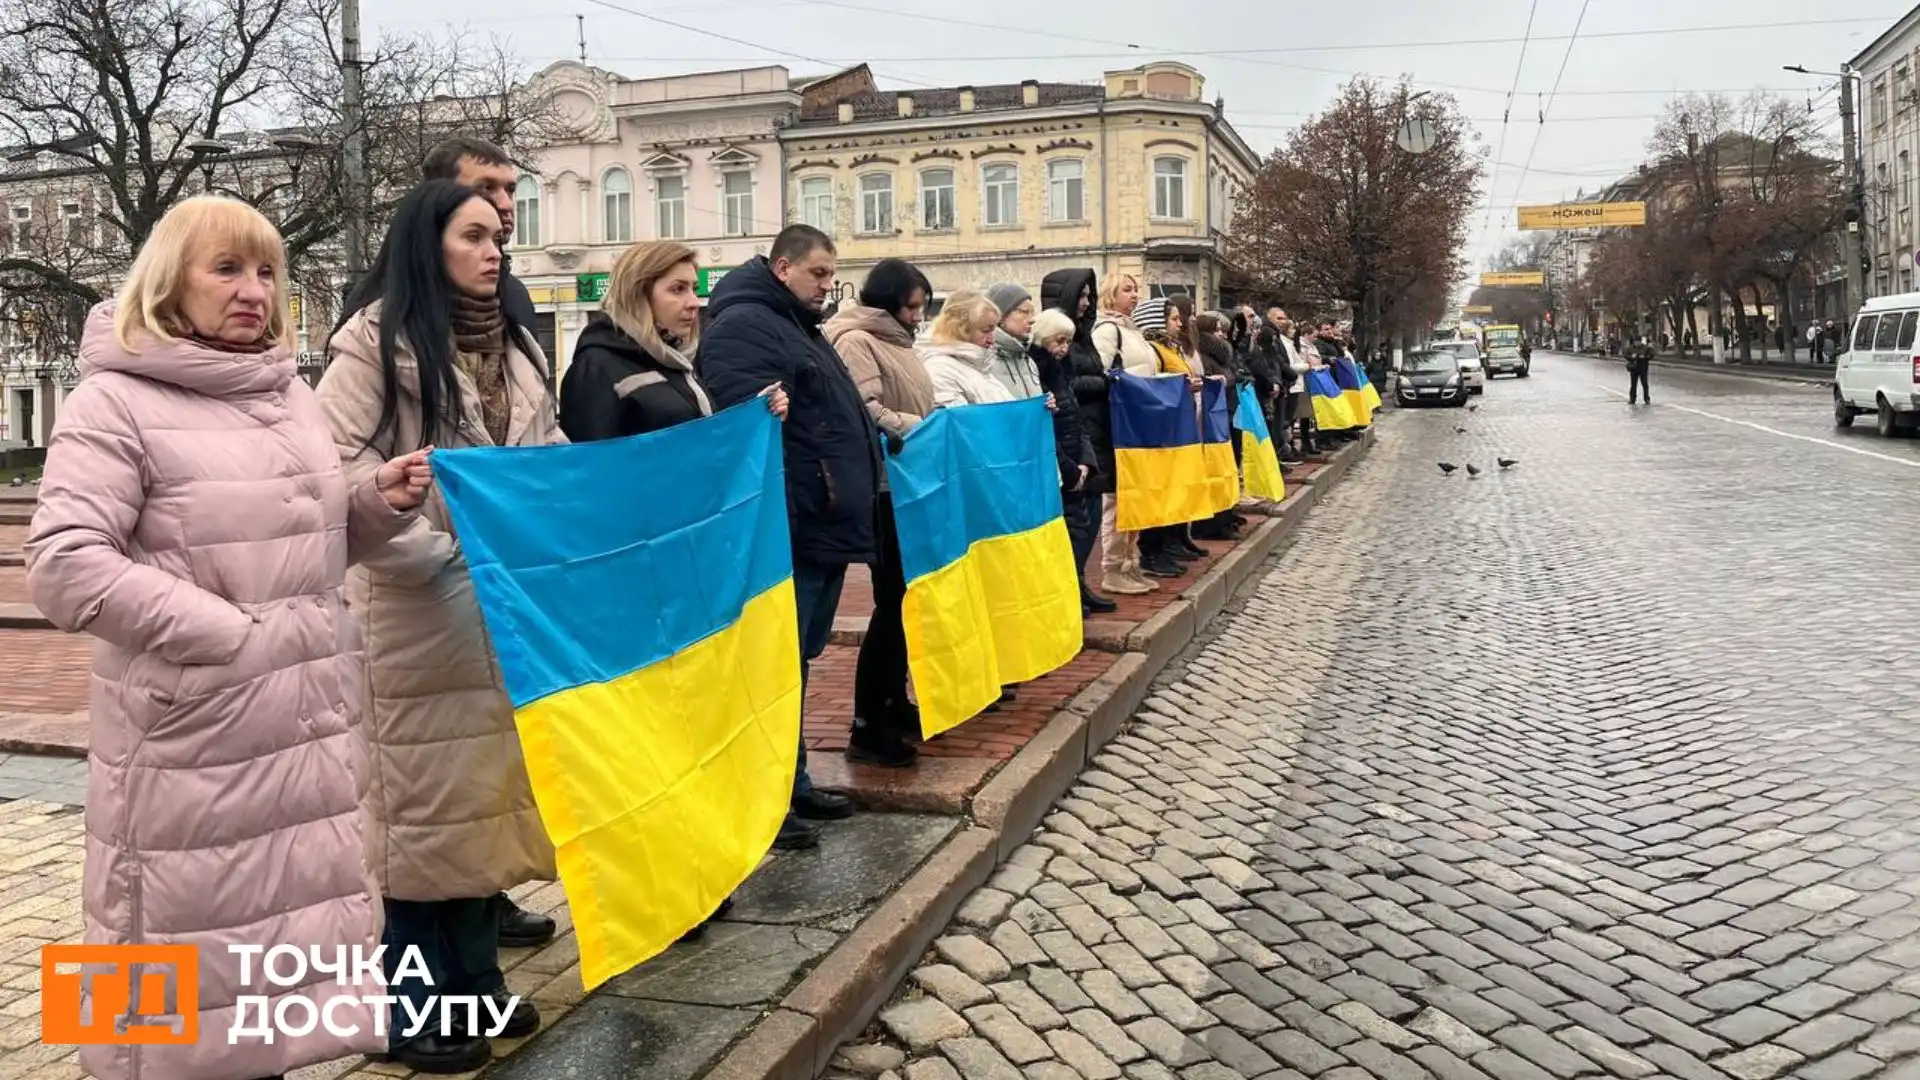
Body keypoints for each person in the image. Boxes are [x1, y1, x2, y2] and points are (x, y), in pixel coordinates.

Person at [25, 196, 428, 1080]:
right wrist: (223, 636)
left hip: (299, 737)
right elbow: (61, 565)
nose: (255, 292)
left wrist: (372, 505)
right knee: (175, 1003)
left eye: (268, 272)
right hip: (190, 745)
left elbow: (297, 545)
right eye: (227, 270)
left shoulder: (286, 392)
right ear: (171, 280)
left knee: (262, 1006)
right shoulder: (113, 400)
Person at [316, 180, 558, 1073]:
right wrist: (437, 556)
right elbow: (335, 477)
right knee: (418, 824)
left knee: (478, 812)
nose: (495, 251)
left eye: (500, 236)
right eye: (474, 236)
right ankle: (409, 1005)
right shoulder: (373, 349)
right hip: (415, 615)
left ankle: (476, 985)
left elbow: (545, 459)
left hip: (499, 614)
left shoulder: (522, 350)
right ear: (429, 244)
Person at [697, 225, 873, 850]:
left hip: (817, 520)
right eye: (819, 274)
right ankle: (770, 796)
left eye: (832, 274)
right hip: (791, 524)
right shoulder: (746, 326)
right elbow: (748, 431)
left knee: (794, 663)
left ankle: (791, 781)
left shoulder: (796, 323)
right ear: (782, 268)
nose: (828, 285)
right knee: (774, 665)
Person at [422, 137, 552, 946]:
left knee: (491, 770)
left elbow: (539, 436)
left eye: (509, 197)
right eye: (485, 199)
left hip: (501, 584)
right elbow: (351, 482)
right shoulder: (387, 324)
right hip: (432, 594)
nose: (505, 210)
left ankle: (481, 926)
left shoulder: (516, 316)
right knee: (437, 793)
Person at [824, 258, 936, 769]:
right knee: (891, 604)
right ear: (888, 301)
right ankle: (867, 722)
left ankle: (893, 699)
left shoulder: (896, 342)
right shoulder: (856, 340)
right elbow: (864, 408)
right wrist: (918, 428)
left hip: (908, 484)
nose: (918, 316)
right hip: (884, 489)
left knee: (908, 601)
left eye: (921, 307)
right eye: (911, 306)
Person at [1041, 269, 1119, 609]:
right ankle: (1070, 587)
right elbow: (1070, 384)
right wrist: (1106, 382)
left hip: (1089, 432)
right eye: (1082, 296)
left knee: (1089, 517)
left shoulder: (1082, 336)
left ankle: (1079, 582)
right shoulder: (1053, 341)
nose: (1087, 302)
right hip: (1069, 437)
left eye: (1090, 296)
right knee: (1076, 521)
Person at [422, 137, 536, 330]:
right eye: (487, 188)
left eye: (510, 190)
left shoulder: (515, 295)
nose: (507, 204)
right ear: (439, 195)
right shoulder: (382, 308)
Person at [920, 291, 1019, 406]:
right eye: (986, 331)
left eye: (993, 330)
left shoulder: (977, 366)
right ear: (961, 329)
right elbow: (959, 420)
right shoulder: (938, 369)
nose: (992, 340)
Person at [1627, 338, 1653, 404]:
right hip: (1634, 368)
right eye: (1636, 342)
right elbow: (1626, 355)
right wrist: (1632, 357)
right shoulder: (1630, 348)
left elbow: (1651, 355)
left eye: (1638, 341)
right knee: (1633, 384)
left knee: (1644, 384)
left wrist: (1644, 357)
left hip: (1643, 367)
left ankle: (1646, 398)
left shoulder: (1645, 348)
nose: (1637, 343)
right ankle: (1632, 399)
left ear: (1640, 342)